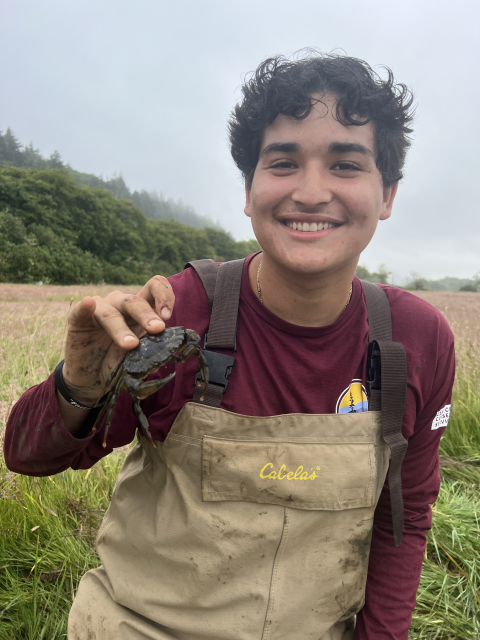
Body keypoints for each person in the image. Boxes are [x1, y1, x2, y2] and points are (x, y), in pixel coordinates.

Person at [4, 52, 455, 640]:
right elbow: (27, 457)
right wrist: (80, 383)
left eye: (346, 164)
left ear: (388, 194)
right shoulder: (181, 313)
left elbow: (405, 513)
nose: (312, 192)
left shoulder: (414, 342)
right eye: (284, 162)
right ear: (249, 190)